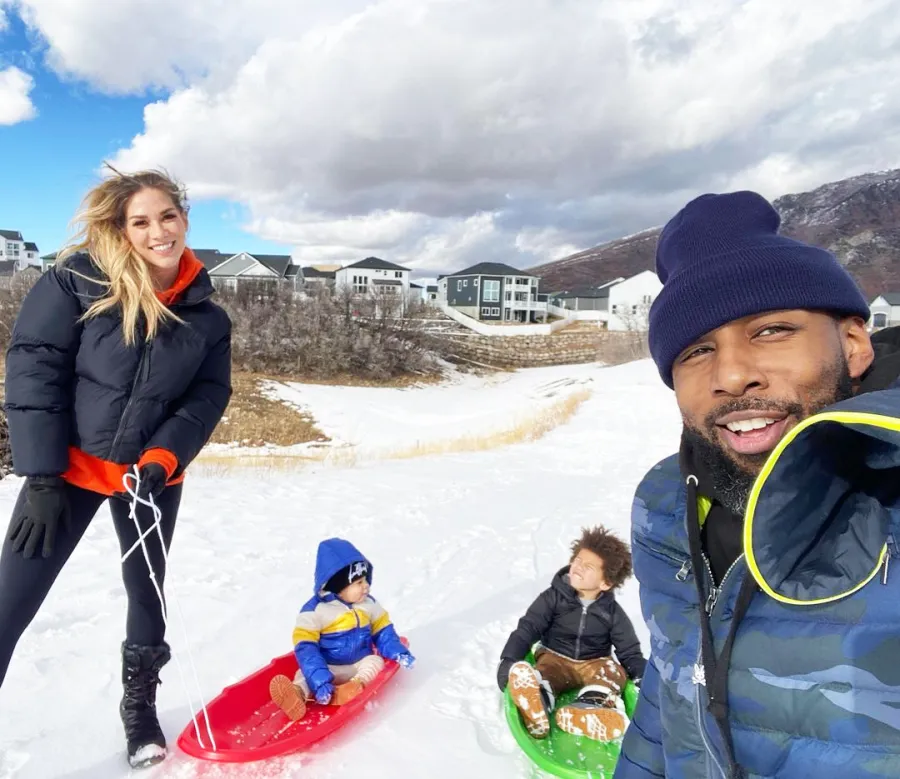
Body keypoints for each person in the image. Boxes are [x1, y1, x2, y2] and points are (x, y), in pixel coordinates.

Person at [614, 190, 900, 779]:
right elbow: (670, 696)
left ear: (852, 342)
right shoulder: (664, 504)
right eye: (697, 349)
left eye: (771, 330)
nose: (732, 375)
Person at [0, 166, 232, 769]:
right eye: (141, 221)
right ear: (121, 229)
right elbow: (34, 367)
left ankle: (140, 709)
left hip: (148, 478)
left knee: (146, 595)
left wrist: (162, 458)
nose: (158, 232)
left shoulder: (208, 316)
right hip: (66, 473)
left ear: (184, 219)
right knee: (9, 601)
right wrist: (42, 473)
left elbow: (206, 398)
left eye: (168, 216)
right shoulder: (77, 280)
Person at [498, 526, 646, 742]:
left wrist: (644, 677)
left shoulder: (613, 614)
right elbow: (528, 628)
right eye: (577, 560)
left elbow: (629, 652)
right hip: (555, 657)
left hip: (594, 662)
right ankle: (536, 703)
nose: (577, 567)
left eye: (588, 567)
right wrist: (509, 659)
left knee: (612, 671)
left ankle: (588, 710)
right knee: (545, 673)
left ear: (605, 583)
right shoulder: (552, 598)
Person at [269, 537, 415, 721]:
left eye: (366, 580)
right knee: (304, 673)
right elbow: (306, 648)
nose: (366, 586)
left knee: (374, 661)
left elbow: (383, 630)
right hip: (328, 666)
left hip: (357, 665)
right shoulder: (316, 611)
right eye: (359, 582)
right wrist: (320, 679)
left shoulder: (368, 604)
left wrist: (397, 651)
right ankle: (296, 694)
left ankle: (353, 687)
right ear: (338, 586)